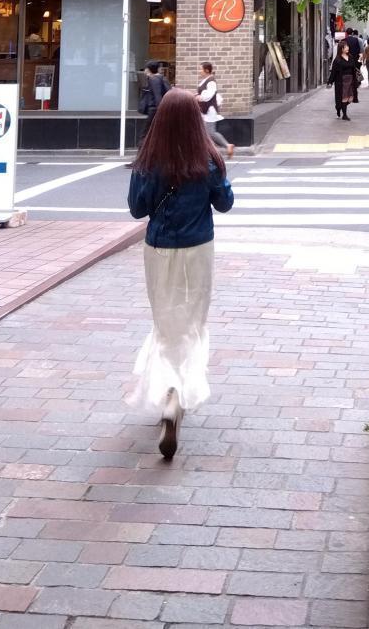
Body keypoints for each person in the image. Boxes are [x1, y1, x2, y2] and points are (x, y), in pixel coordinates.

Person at [126, 88, 234, 460]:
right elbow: (225, 203)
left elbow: (137, 209)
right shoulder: (208, 160)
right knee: (191, 324)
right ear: (195, 120)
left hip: (158, 249)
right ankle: (176, 396)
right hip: (198, 249)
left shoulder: (148, 161)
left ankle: (168, 394)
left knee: (165, 323)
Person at [197, 61, 235, 159]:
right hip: (205, 110)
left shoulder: (211, 81)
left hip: (210, 110)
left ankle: (226, 146)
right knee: (205, 131)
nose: (199, 71)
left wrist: (199, 97)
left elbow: (209, 95)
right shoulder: (207, 80)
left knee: (210, 132)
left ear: (206, 70)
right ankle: (208, 151)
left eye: (200, 69)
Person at [328, 41, 356, 120]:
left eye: (347, 46)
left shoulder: (350, 57)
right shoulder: (337, 59)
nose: (348, 48)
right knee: (344, 97)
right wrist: (330, 82)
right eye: (346, 47)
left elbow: (353, 68)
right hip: (342, 81)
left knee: (350, 98)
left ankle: (339, 106)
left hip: (350, 80)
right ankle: (344, 115)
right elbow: (333, 72)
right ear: (341, 49)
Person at [138, 60, 170, 126]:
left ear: (148, 69)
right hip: (157, 109)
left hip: (154, 109)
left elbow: (157, 95)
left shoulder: (154, 79)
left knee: (146, 132)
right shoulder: (160, 78)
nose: (144, 71)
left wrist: (161, 111)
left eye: (146, 69)